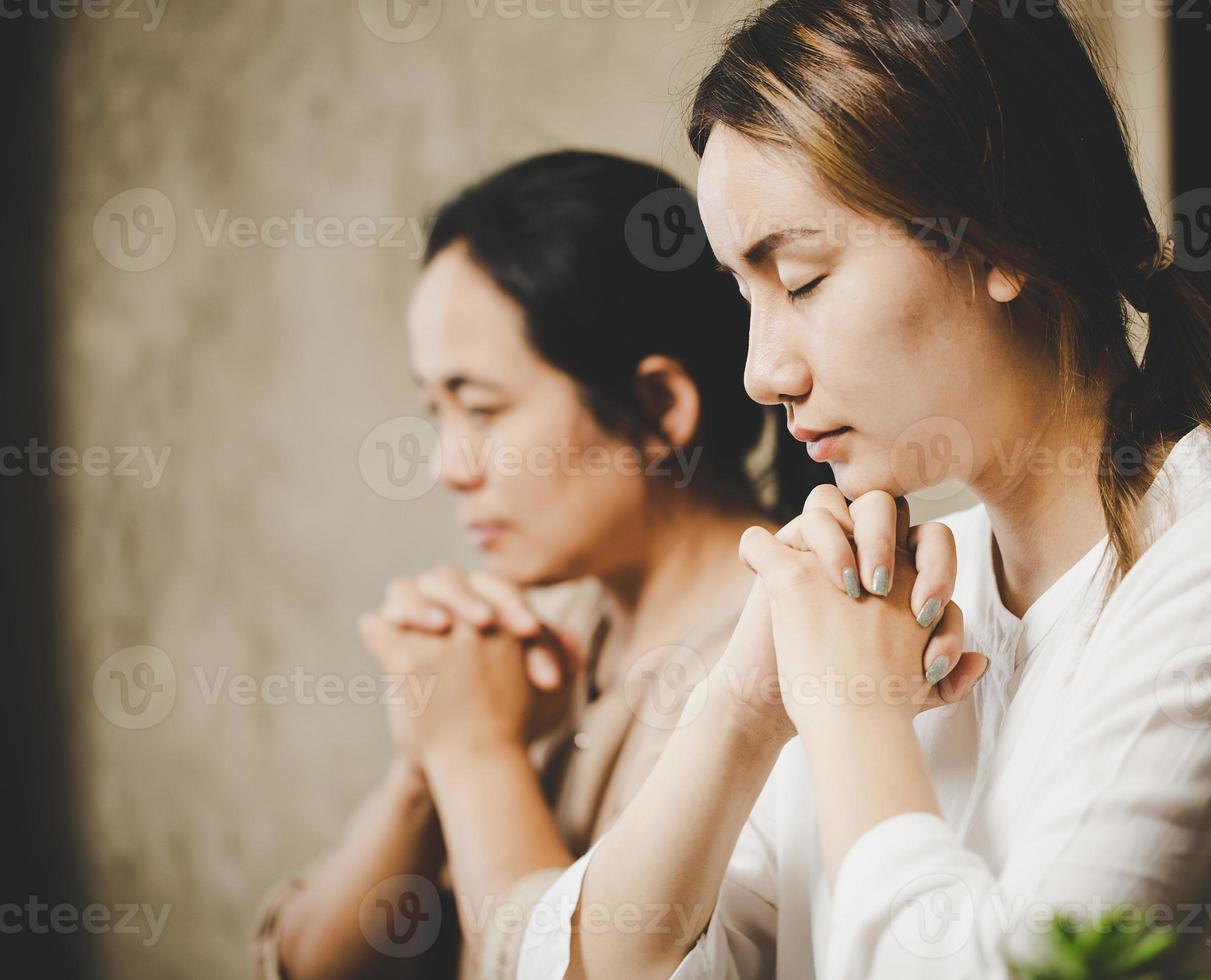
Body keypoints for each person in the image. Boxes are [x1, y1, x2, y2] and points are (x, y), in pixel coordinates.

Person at [515, 4, 1211, 978]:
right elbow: (597, 962)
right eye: (747, 296)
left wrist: (856, 710)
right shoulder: (894, 605)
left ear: (999, 236)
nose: (761, 370)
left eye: (803, 280)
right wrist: (744, 709)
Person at [250, 150, 839, 979]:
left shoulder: (784, 658)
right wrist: (424, 767)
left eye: (482, 408)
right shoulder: (533, 637)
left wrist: (474, 755)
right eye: (435, 408)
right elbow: (303, 963)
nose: (447, 466)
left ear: (660, 405)